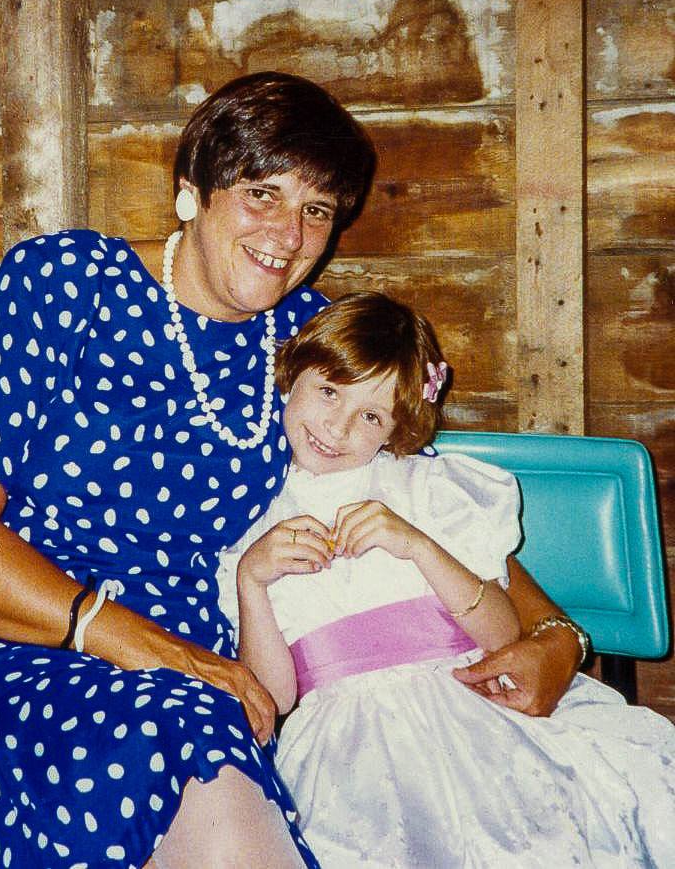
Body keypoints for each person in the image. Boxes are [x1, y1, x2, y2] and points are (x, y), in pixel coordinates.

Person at [0, 72, 578, 867]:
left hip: (222, 675)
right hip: (7, 646)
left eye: (317, 210)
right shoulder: (64, 283)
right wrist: (150, 649)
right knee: (181, 730)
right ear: (190, 193)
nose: (289, 232)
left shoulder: (311, 342)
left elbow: (419, 496)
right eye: (261, 193)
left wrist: (558, 637)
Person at [216, 292, 675, 868]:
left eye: (371, 416)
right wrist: (252, 584)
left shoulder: (430, 490)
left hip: (474, 705)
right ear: (289, 380)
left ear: (395, 430)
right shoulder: (253, 532)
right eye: (329, 392)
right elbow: (276, 697)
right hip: (347, 748)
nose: (337, 427)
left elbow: (504, 635)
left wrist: (420, 547)